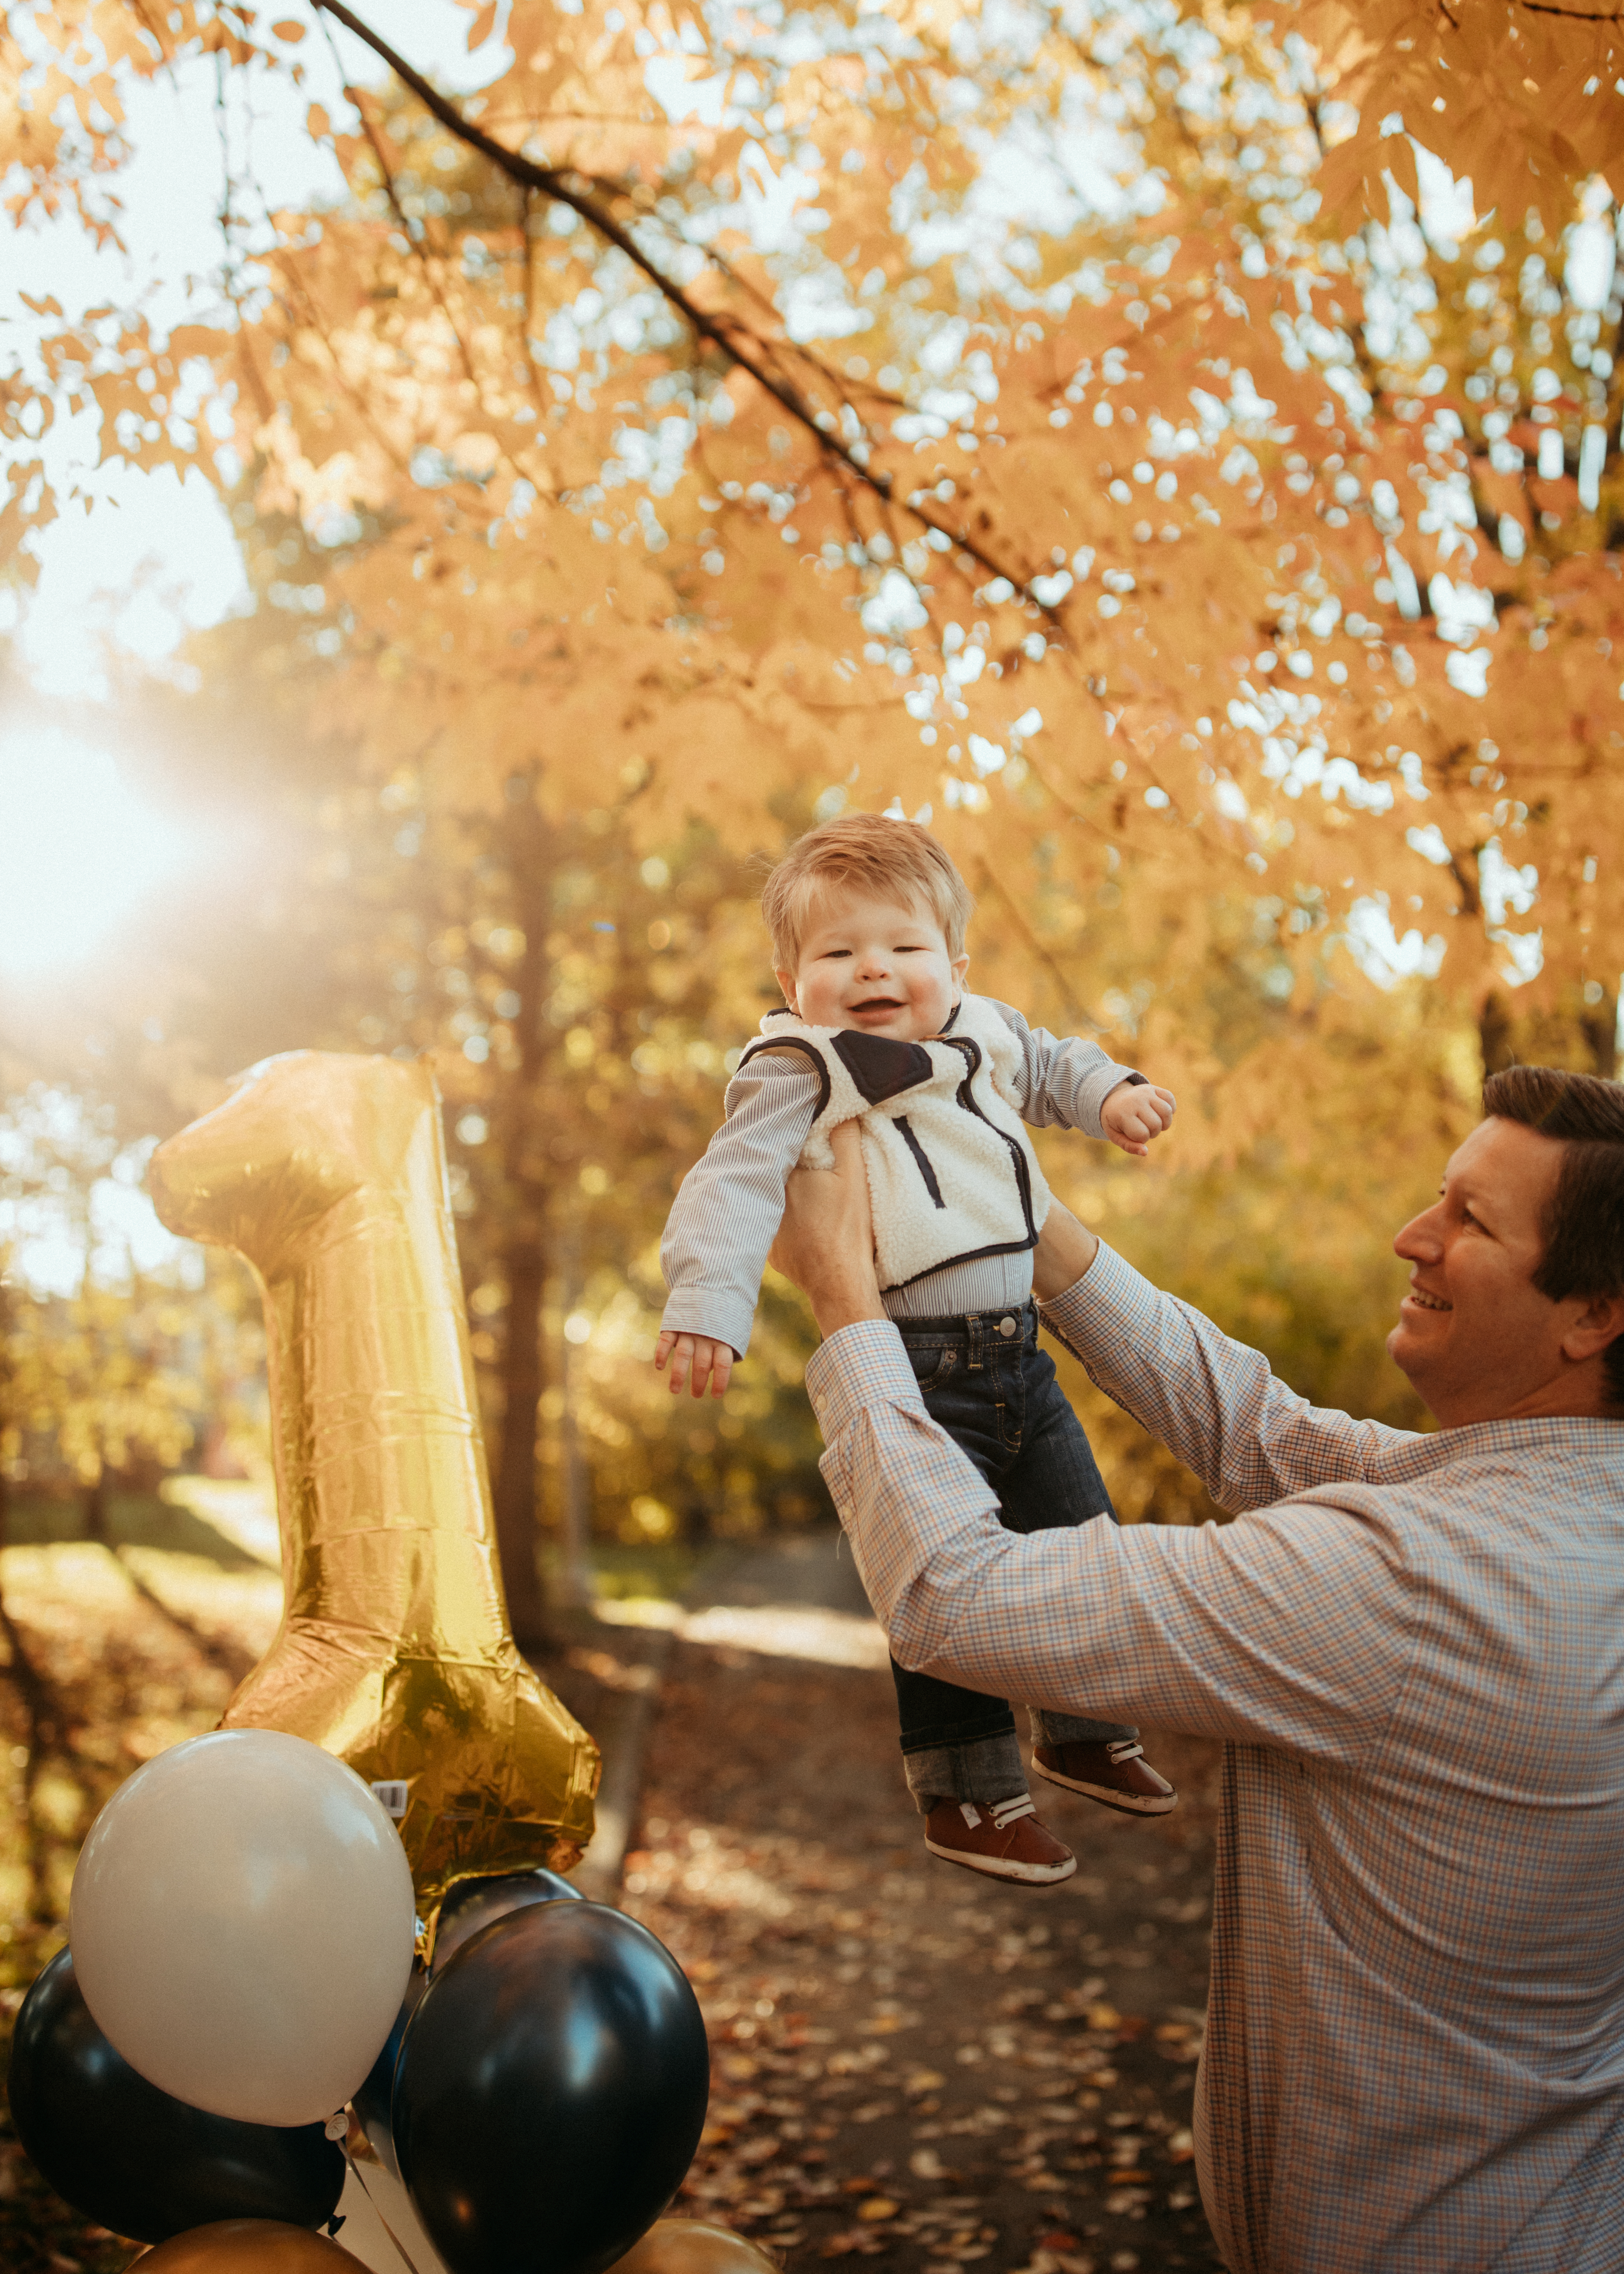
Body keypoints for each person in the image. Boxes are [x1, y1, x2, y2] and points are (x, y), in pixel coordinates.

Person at [768, 1066, 1624, 2274]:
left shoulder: (1422, 1579)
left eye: (1470, 1221)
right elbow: (1260, 1433)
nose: (1411, 1235)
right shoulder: (1548, 1513)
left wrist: (846, 1299)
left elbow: (957, 1597)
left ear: (1591, 1314)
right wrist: (1021, 1213)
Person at [654, 814, 1180, 1883]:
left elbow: (1051, 1062)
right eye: (838, 952)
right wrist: (709, 1298)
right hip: (918, 1361)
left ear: (955, 966)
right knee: (938, 1580)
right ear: (790, 976)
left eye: (902, 947)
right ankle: (968, 1793)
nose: (873, 970)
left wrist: (1112, 1092)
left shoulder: (986, 1033)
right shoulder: (801, 1063)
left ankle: (1080, 1727)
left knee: (1081, 1535)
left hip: (1022, 1354)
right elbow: (734, 1178)